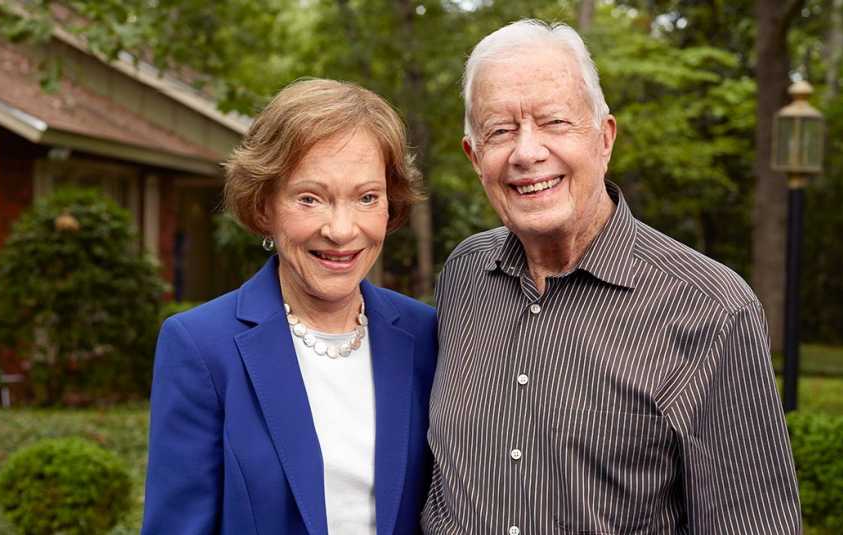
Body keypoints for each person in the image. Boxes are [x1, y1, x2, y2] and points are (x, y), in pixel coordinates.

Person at [422, 19, 801, 534]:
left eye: (554, 122)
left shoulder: (712, 308)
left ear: (604, 138)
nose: (526, 152)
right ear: (475, 157)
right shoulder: (465, 275)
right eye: (500, 131)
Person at [142, 78, 437, 535]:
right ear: (264, 207)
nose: (341, 230)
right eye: (310, 198)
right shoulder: (201, 347)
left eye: (366, 197)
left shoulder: (425, 335)